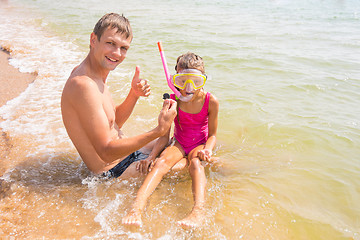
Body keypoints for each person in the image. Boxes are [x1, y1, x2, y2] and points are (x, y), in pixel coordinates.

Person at [61, 13, 177, 178]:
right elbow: (105, 153)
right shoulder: (83, 85)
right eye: (111, 43)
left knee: (180, 146)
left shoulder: (94, 75)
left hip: (127, 155)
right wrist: (158, 130)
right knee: (187, 166)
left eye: (124, 48)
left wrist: (134, 94)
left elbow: (112, 123)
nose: (117, 53)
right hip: (113, 172)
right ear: (93, 40)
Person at [122, 52, 219, 228]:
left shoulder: (210, 101)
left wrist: (208, 149)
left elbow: (212, 135)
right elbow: (164, 136)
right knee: (160, 164)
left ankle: (198, 212)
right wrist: (151, 157)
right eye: (183, 81)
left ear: (203, 80)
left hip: (199, 145)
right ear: (174, 80)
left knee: (195, 163)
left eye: (196, 82)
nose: (189, 88)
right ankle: (136, 209)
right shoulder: (172, 101)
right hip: (179, 144)